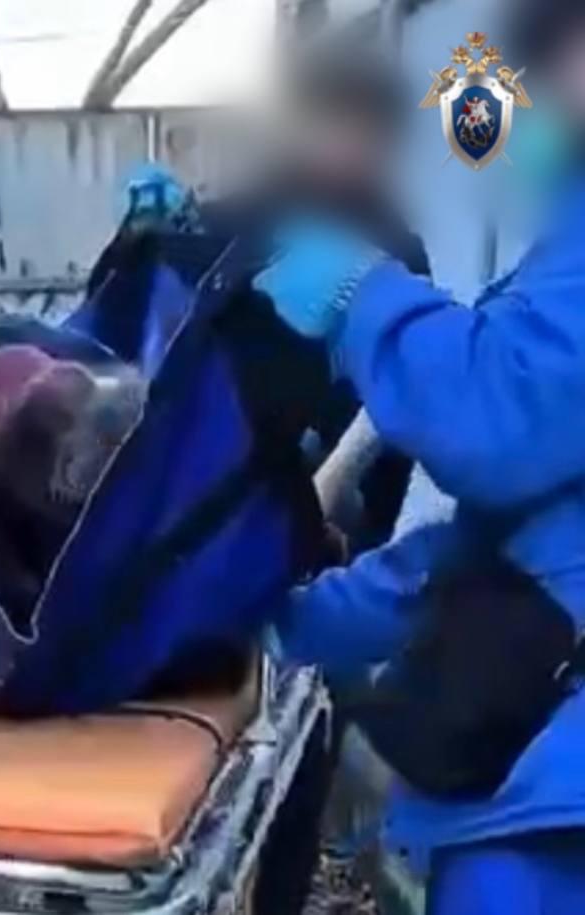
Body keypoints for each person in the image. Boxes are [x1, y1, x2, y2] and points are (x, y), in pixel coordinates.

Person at [247, 2, 585, 911]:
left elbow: (496, 417)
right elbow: (502, 546)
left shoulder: (393, 249)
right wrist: (291, 619)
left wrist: (364, 297)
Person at [203, 41, 425, 555]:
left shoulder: (398, 249)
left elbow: (397, 403)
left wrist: (358, 515)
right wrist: (138, 246)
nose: (349, 147)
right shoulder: (230, 225)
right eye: (334, 123)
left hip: (339, 510)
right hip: (222, 493)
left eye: (369, 131)